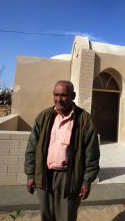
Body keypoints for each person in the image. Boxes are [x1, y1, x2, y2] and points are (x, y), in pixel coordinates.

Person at [24, 80, 100, 221]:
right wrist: (30, 174)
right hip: (44, 176)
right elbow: (32, 147)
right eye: (56, 94)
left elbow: (92, 154)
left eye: (63, 95)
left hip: (69, 178)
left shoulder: (84, 120)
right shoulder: (44, 117)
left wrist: (87, 181)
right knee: (46, 216)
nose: (59, 99)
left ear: (73, 96)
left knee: (66, 217)